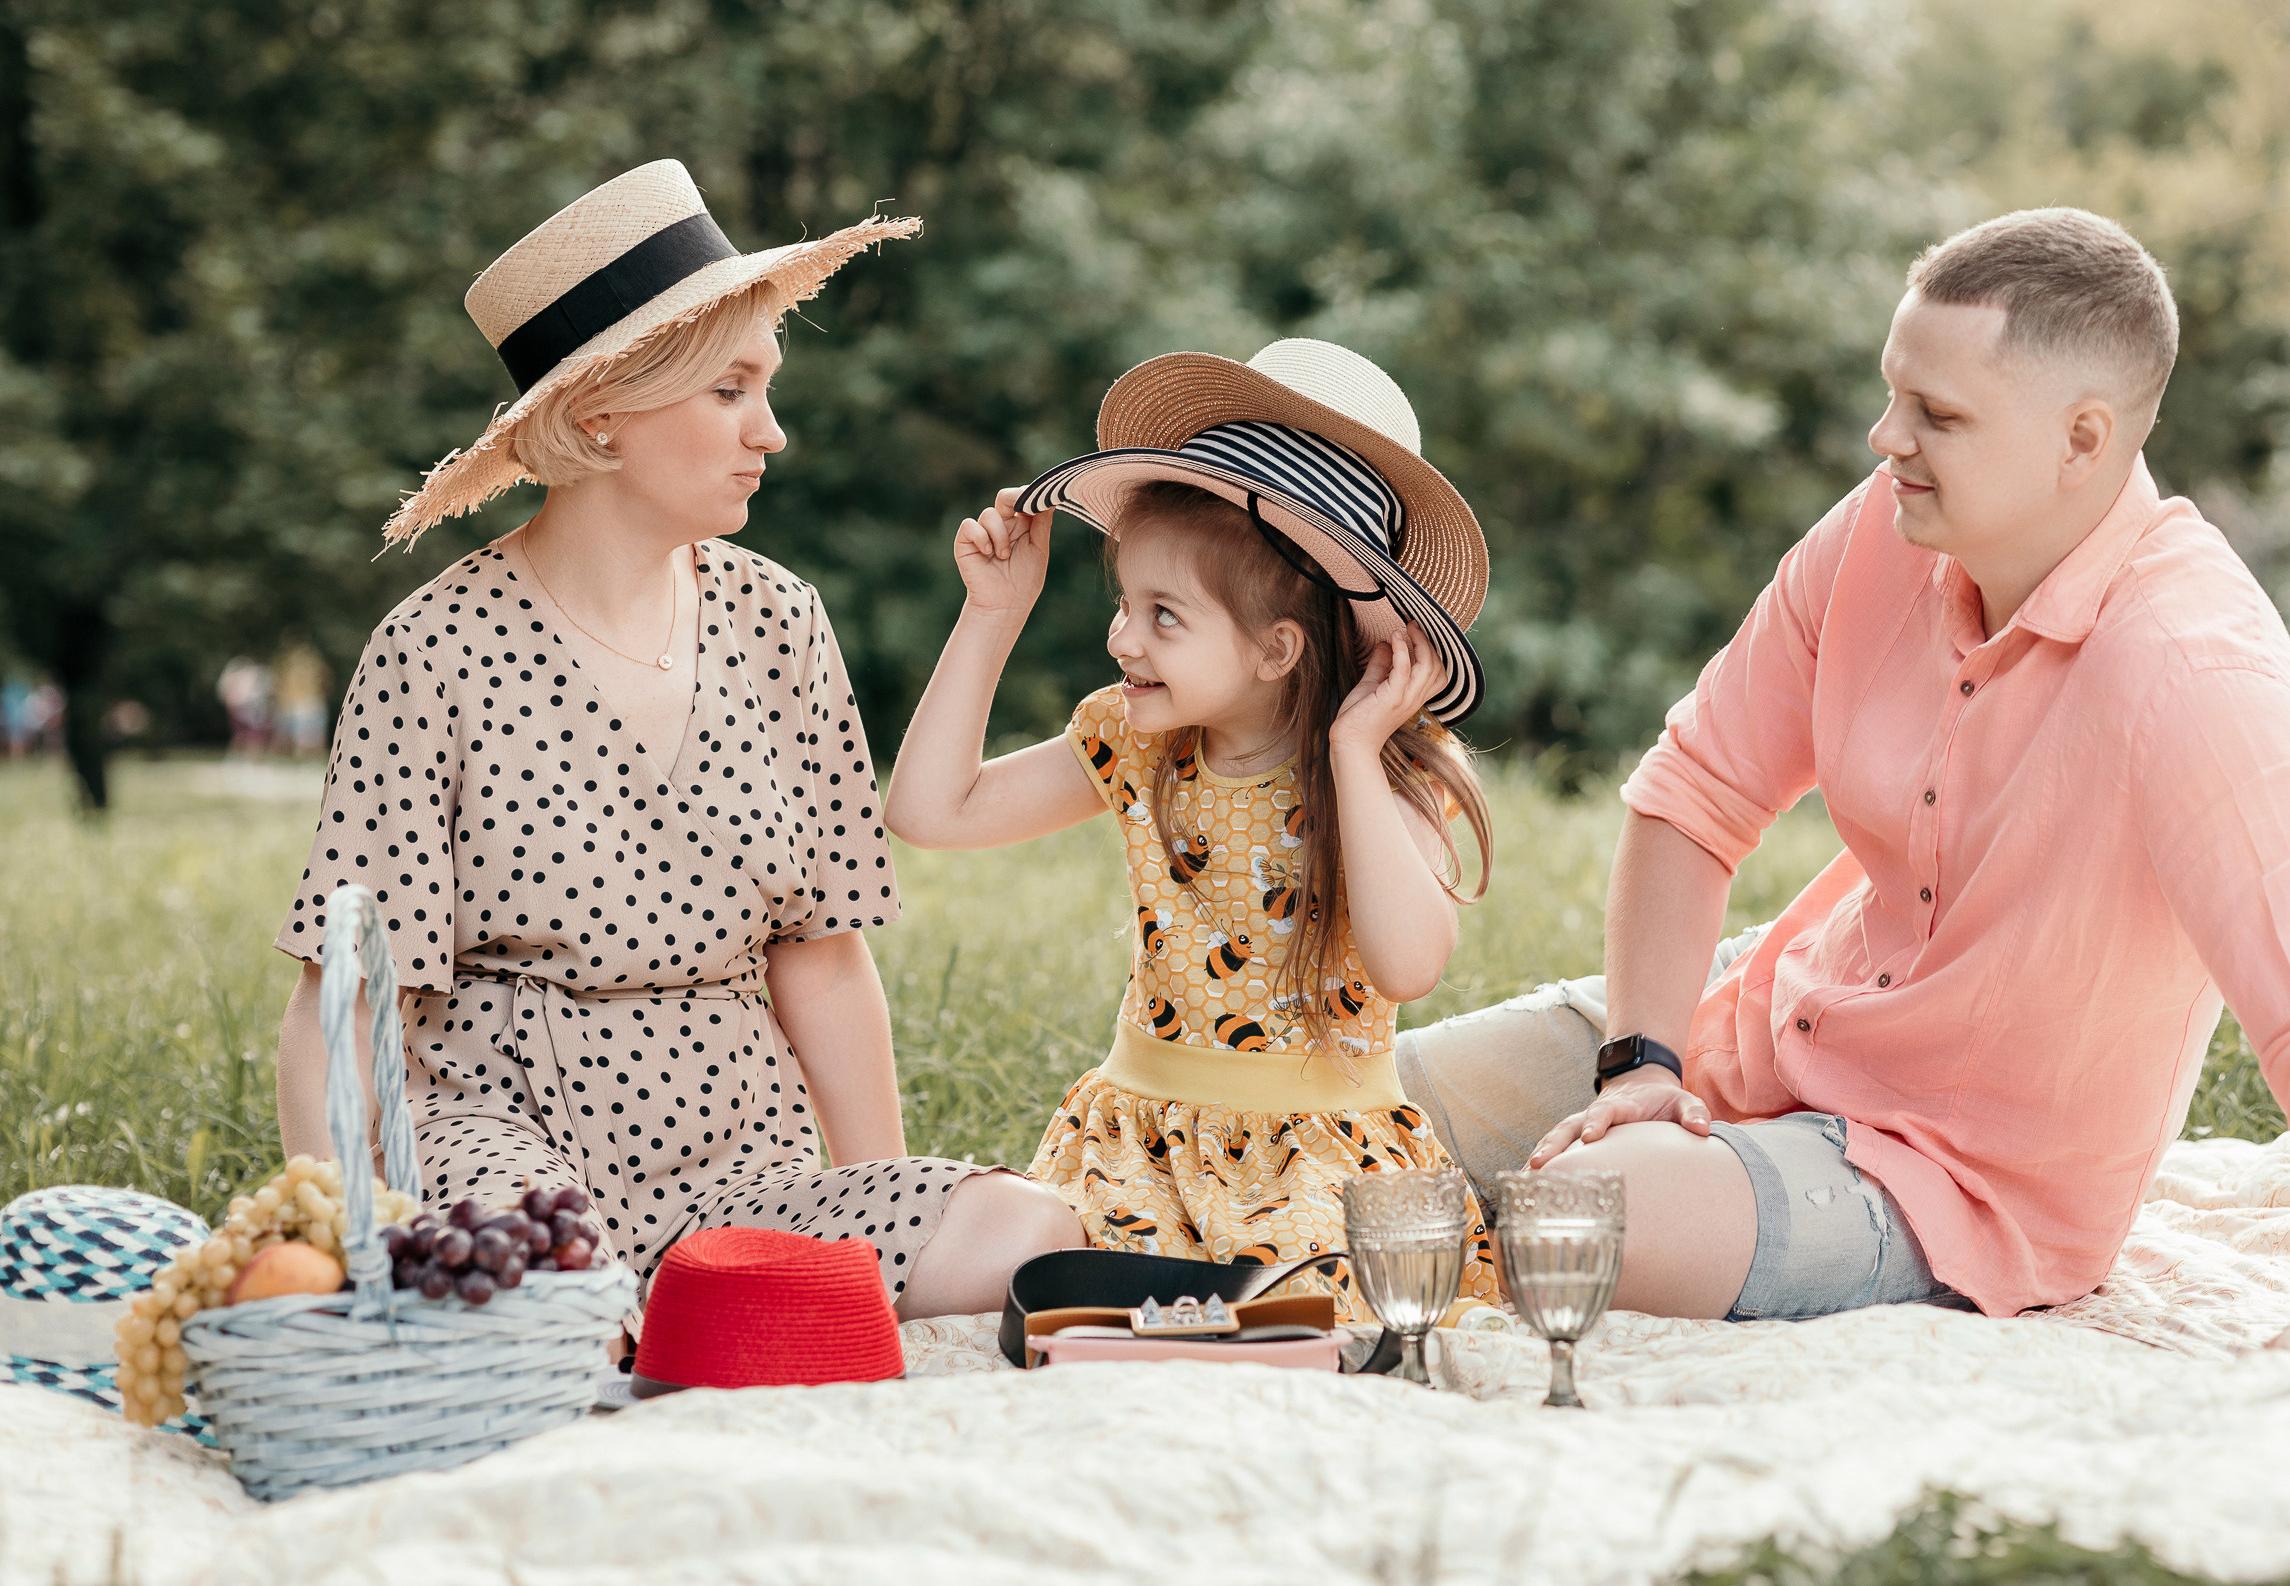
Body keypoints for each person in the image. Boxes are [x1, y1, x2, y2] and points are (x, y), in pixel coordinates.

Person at [1394, 208, 2290, 1350]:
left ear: (2081, 439)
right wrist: (1639, 1061)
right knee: (1356, 1103)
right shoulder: (1885, 532)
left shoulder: (2192, 668)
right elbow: (1692, 792)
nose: (1884, 436)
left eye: (1937, 414)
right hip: (1763, 1015)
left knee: (1591, 1215)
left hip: (1954, 1175)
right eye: (1894, 392)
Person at [273, 159, 1082, 1323]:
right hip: (509, 1154)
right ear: (602, 410)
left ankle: (687, 1316)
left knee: (1026, 1232)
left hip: (743, 1165)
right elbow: (344, 1002)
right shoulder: (433, 649)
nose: (773, 431)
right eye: (731, 390)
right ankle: (579, 1317)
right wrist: (342, 1237)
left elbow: (823, 954)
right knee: (538, 1279)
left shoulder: (780, 619)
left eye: (769, 387)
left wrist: (879, 1252)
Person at [884, 340, 1503, 1319]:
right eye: (1124, 602)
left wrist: (1349, 752)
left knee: (1315, 1303)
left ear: (1276, 647)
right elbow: (929, 812)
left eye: (1162, 615)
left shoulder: (1387, 770)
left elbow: (1408, 963)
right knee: (1061, 1288)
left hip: (1320, 1153)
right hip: (1139, 1146)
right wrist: (991, 616)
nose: (1121, 637)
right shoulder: (1136, 742)